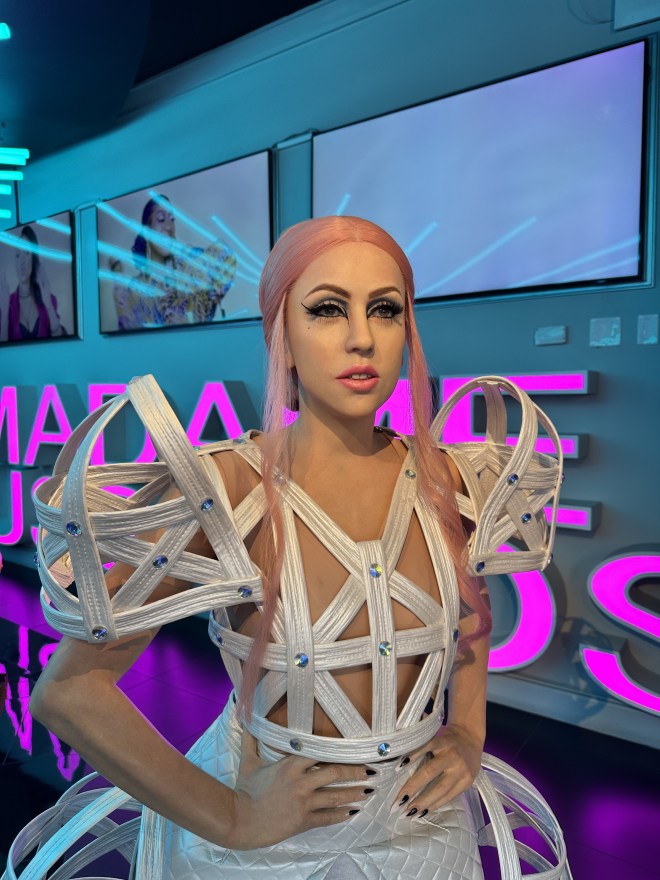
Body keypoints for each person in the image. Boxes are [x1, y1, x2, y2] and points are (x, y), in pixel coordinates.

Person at [6, 217, 569, 879]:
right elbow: (70, 690)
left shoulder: (454, 478)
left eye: (385, 309)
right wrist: (231, 817)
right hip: (269, 840)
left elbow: (469, 607)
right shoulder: (227, 490)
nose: (362, 338)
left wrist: (468, 729)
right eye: (327, 309)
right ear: (283, 334)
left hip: (425, 828)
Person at [109, 196, 238, 330]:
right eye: (161, 219)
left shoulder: (187, 267)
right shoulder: (133, 291)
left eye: (172, 220)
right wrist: (116, 274)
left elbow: (225, 256)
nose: (169, 226)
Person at [0, 225, 66, 341]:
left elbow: (62, 343)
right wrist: (4, 312)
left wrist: (48, 305)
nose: (22, 262)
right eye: (17, 255)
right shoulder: (7, 303)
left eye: (27, 253)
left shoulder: (49, 299)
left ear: (34, 258)